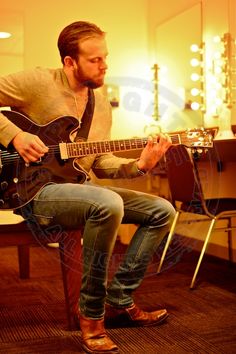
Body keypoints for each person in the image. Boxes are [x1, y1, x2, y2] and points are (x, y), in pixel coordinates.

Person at [0, 21, 176, 354]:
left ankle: (120, 298)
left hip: (78, 189)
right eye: (95, 60)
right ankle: (92, 316)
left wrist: (140, 165)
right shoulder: (39, 81)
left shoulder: (101, 101)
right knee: (106, 203)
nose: (104, 65)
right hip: (33, 190)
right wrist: (16, 136)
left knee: (161, 209)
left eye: (105, 58)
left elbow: (100, 159)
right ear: (70, 62)